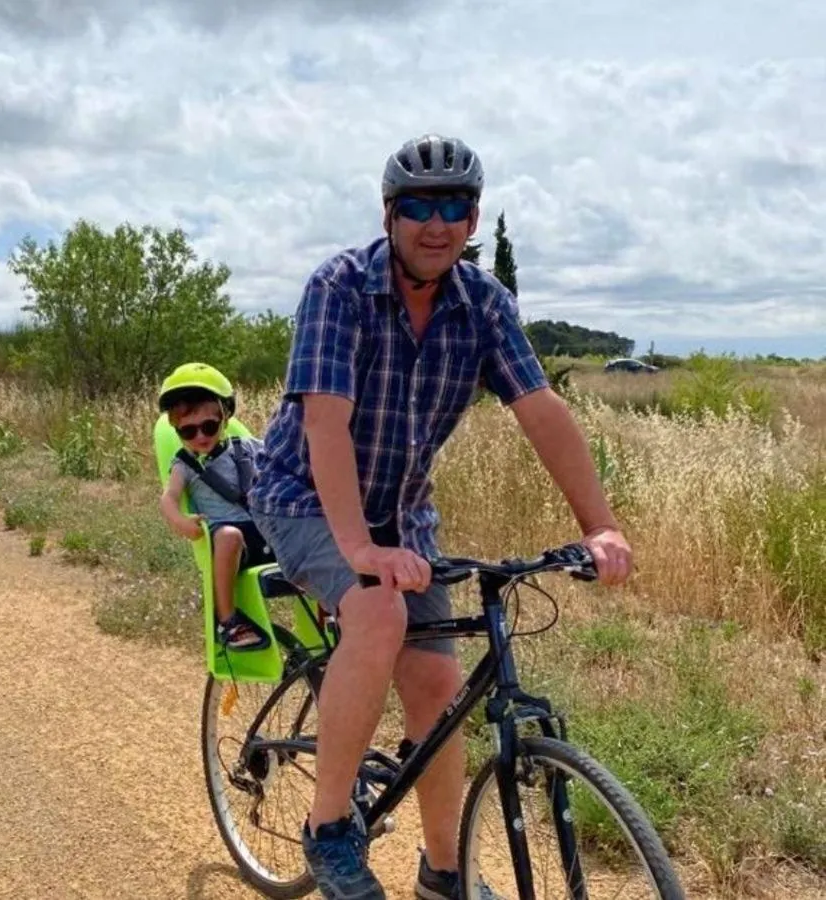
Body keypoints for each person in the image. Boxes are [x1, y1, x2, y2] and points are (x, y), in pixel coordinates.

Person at [247, 134, 633, 900]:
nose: (436, 224)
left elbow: (541, 409)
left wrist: (601, 525)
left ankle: (445, 872)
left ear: (473, 219)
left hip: (404, 516)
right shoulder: (339, 288)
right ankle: (329, 828)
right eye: (419, 207)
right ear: (389, 215)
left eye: (453, 207)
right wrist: (359, 552)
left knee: (437, 687)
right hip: (303, 498)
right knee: (378, 611)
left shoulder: (483, 304)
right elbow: (325, 424)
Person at [158, 362, 276, 652]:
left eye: (209, 426)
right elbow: (169, 497)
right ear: (177, 431)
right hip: (229, 543)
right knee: (229, 535)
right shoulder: (184, 465)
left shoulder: (248, 447)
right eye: (188, 431)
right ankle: (227, 621)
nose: (200, 436)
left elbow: (279, 461)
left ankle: (333, 612)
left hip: (266, 534)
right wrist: (180, 521)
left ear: (224, 417)